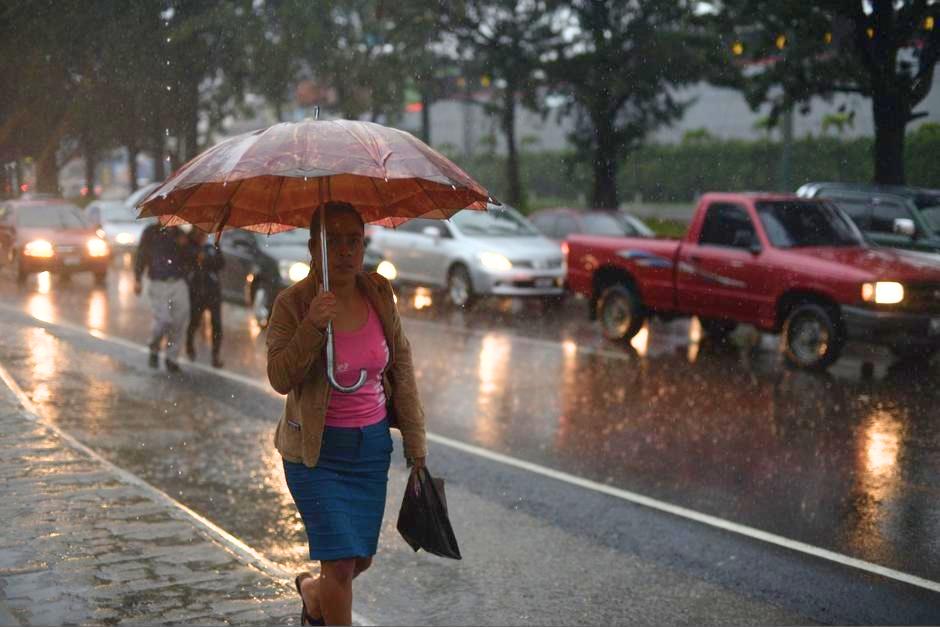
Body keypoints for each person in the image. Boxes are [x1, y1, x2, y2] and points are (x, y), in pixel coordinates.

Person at [266, 201, 427, 626]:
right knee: (339, 565)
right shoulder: (294, 303)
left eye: (352, 240)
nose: (344, 250)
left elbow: (401, 367)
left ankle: (311, 593)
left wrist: (416, 442)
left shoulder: (378, 292)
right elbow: (280, 376)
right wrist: (313, 326)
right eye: (332, 240)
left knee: (359, 560)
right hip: (315, 454)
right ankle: (322, 595)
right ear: (313, 248)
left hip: (371, 448)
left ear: (363, 243)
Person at [134, 223, 193, 373]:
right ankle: (154, 348)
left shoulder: (180, 234)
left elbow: (191, 258)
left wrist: (185, 245)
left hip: (178, 281)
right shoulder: (151, 232)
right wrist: (137, 278)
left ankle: (171, 358)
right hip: (158, 282)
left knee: (179, 321)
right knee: (163, 321)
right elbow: (141, 254)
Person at [184, 230, 225, 368]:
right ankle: (189, 345)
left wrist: (206, 260)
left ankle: (215, 355)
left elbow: (221, 263)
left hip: (213, 291)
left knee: (217, 324)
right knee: (194, 321)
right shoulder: (189, 243)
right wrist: (196, 257)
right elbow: (186, 260)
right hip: (196, 292)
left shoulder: (213, 244)